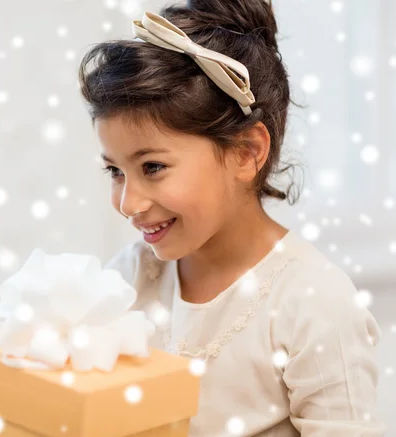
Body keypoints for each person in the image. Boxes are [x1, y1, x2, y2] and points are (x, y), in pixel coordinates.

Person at [77, 0, 385, 435]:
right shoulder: (131, 277)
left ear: (246, 153)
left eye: (152, 168)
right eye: (115, 171)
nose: (129, 203)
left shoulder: (314, 304)